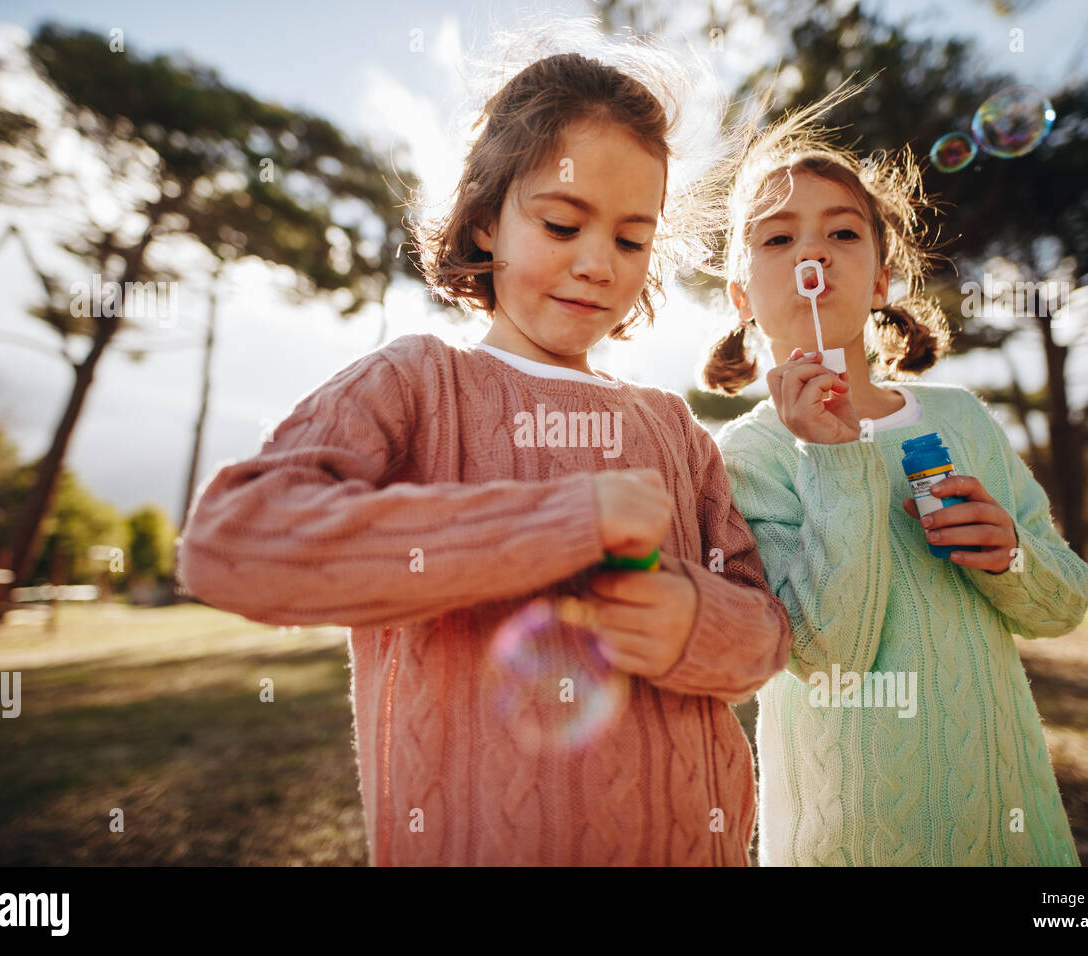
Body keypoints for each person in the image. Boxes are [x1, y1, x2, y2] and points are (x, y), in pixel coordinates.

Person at [177, 37, 791, 866]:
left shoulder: (673, 428)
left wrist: (695, 621)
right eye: (562, 223)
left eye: (631, 240)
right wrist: (560, 518)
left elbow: (765, 632)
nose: (596, 264)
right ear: (482, 221)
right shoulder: (417, 385)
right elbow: (231, 543)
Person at [706, 95, 1088, 865]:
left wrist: (1010, 554)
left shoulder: (961, 419)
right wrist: (835, 457)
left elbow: (1067, 601)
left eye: (842, 233)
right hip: (854, 837)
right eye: (778, 238)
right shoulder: (748, 454)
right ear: (743, 298)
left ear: (881, 281)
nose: (811, 257)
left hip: (1008, 821)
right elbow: (828, 655)